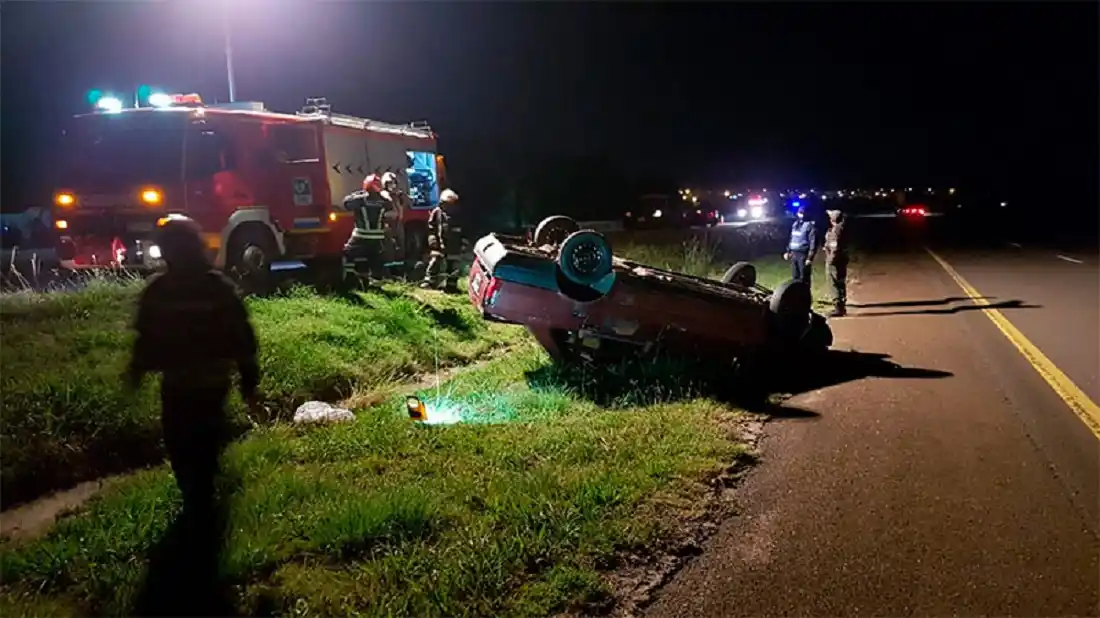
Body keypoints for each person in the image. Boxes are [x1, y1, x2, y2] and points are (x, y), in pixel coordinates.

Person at [127, 214, 260, 523]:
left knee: (182, 443)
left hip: (182, 384)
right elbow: (243, 337)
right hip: (208, 383)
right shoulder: (216, 287)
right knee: (201, 442)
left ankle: (198, 501)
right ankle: (202, 499)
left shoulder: (159, 290)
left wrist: (137, 370)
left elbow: (145, 338)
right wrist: (249, 381)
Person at [421, 188, 462, 292]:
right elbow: (431, 227)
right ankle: (429, 282)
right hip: (439, 244)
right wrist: (433, 240)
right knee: (435, 261)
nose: (448, 207)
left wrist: (463, 243)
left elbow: (463, 230)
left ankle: (451, 286)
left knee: (454, 265)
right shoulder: (437, 212)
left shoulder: (458, 216)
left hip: (454, 245)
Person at [824, 207, 850, 317]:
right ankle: (841, 305)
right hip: (842, 258)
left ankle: (838, 307)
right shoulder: (842, 228)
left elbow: (835, 247)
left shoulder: (836, 231)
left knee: (834, 283)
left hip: (835, 260)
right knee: (840, 281)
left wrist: (830, 260)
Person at [783, 204, 817, 287]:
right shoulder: (795, 224)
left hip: (803, 255)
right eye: (800, 213)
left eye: (803, 213)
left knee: (804, 277)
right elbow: (792, 238)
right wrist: (788, 251)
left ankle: (805, 293)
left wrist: (810, 258)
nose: (801, 215)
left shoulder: (810, 226)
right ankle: (796, 293)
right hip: (794, 254)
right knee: (795, 277)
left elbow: (813, 242)